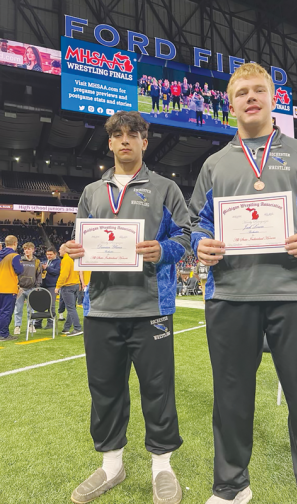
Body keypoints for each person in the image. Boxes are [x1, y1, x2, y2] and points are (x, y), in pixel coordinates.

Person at [189, 62, 297, 504]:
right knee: (231, 400)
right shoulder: (215, 164)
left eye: (259, 90)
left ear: (272, 98)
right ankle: (231, 488)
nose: (251, 97)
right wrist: (201, 245)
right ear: (231, 103)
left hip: (294, 294)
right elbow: (198, 225)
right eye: (242, 92)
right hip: (229, 295)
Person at [64, 111, 190, 504]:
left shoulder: (166, 188)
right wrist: (73, 249)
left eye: (132, 135)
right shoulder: (91, 192)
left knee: (158, 389)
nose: (124, 141)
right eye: (117, 135)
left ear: (144, 142)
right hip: (101, 307)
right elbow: (79, 240)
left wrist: (163, 249)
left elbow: (185, 236)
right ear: (109, 143)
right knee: (104, 389)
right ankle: (111, 464)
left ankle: (162, 466)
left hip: (150, 304)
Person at [14, 242, 42, 335]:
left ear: (33, 250)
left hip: (31, 288)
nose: (27, 251)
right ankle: (17, 326)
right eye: (25, 249)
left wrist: (37, 286)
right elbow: (15, 274)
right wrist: (16, 286)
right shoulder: (19, 260)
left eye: (29, 249)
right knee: (18, 309)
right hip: (20, 288)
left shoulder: (37, 262)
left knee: (31, 309)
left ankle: (31, 325)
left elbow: (39, 275)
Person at [55, 243, 82, 337]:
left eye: (60, 249)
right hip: (75, 285)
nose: (59, 251)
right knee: (72, 308)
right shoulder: (72, 259)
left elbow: (64, 275)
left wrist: (58, 286)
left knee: (70, 308)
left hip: (68, 286)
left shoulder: (66, 260)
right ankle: (67, 327)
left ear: (65, 250)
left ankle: (77, 328)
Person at [0, 236, 23, 341]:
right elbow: (19, 270)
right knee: (6, 312)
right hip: (9, 288)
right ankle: (3, 334)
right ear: (15, 243)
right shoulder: (14, 256)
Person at [35, 247, 61, 329]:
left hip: (52, 285)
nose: (48, 256)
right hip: (43, 285)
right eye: (47, 254)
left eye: (50, 254)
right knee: (40, 304)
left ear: (55, 254)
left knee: (51, 304)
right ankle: (38, 322)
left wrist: (47, 268)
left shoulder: (58, 262)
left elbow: (57, 272)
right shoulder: (46, 261)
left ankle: (50, 323)